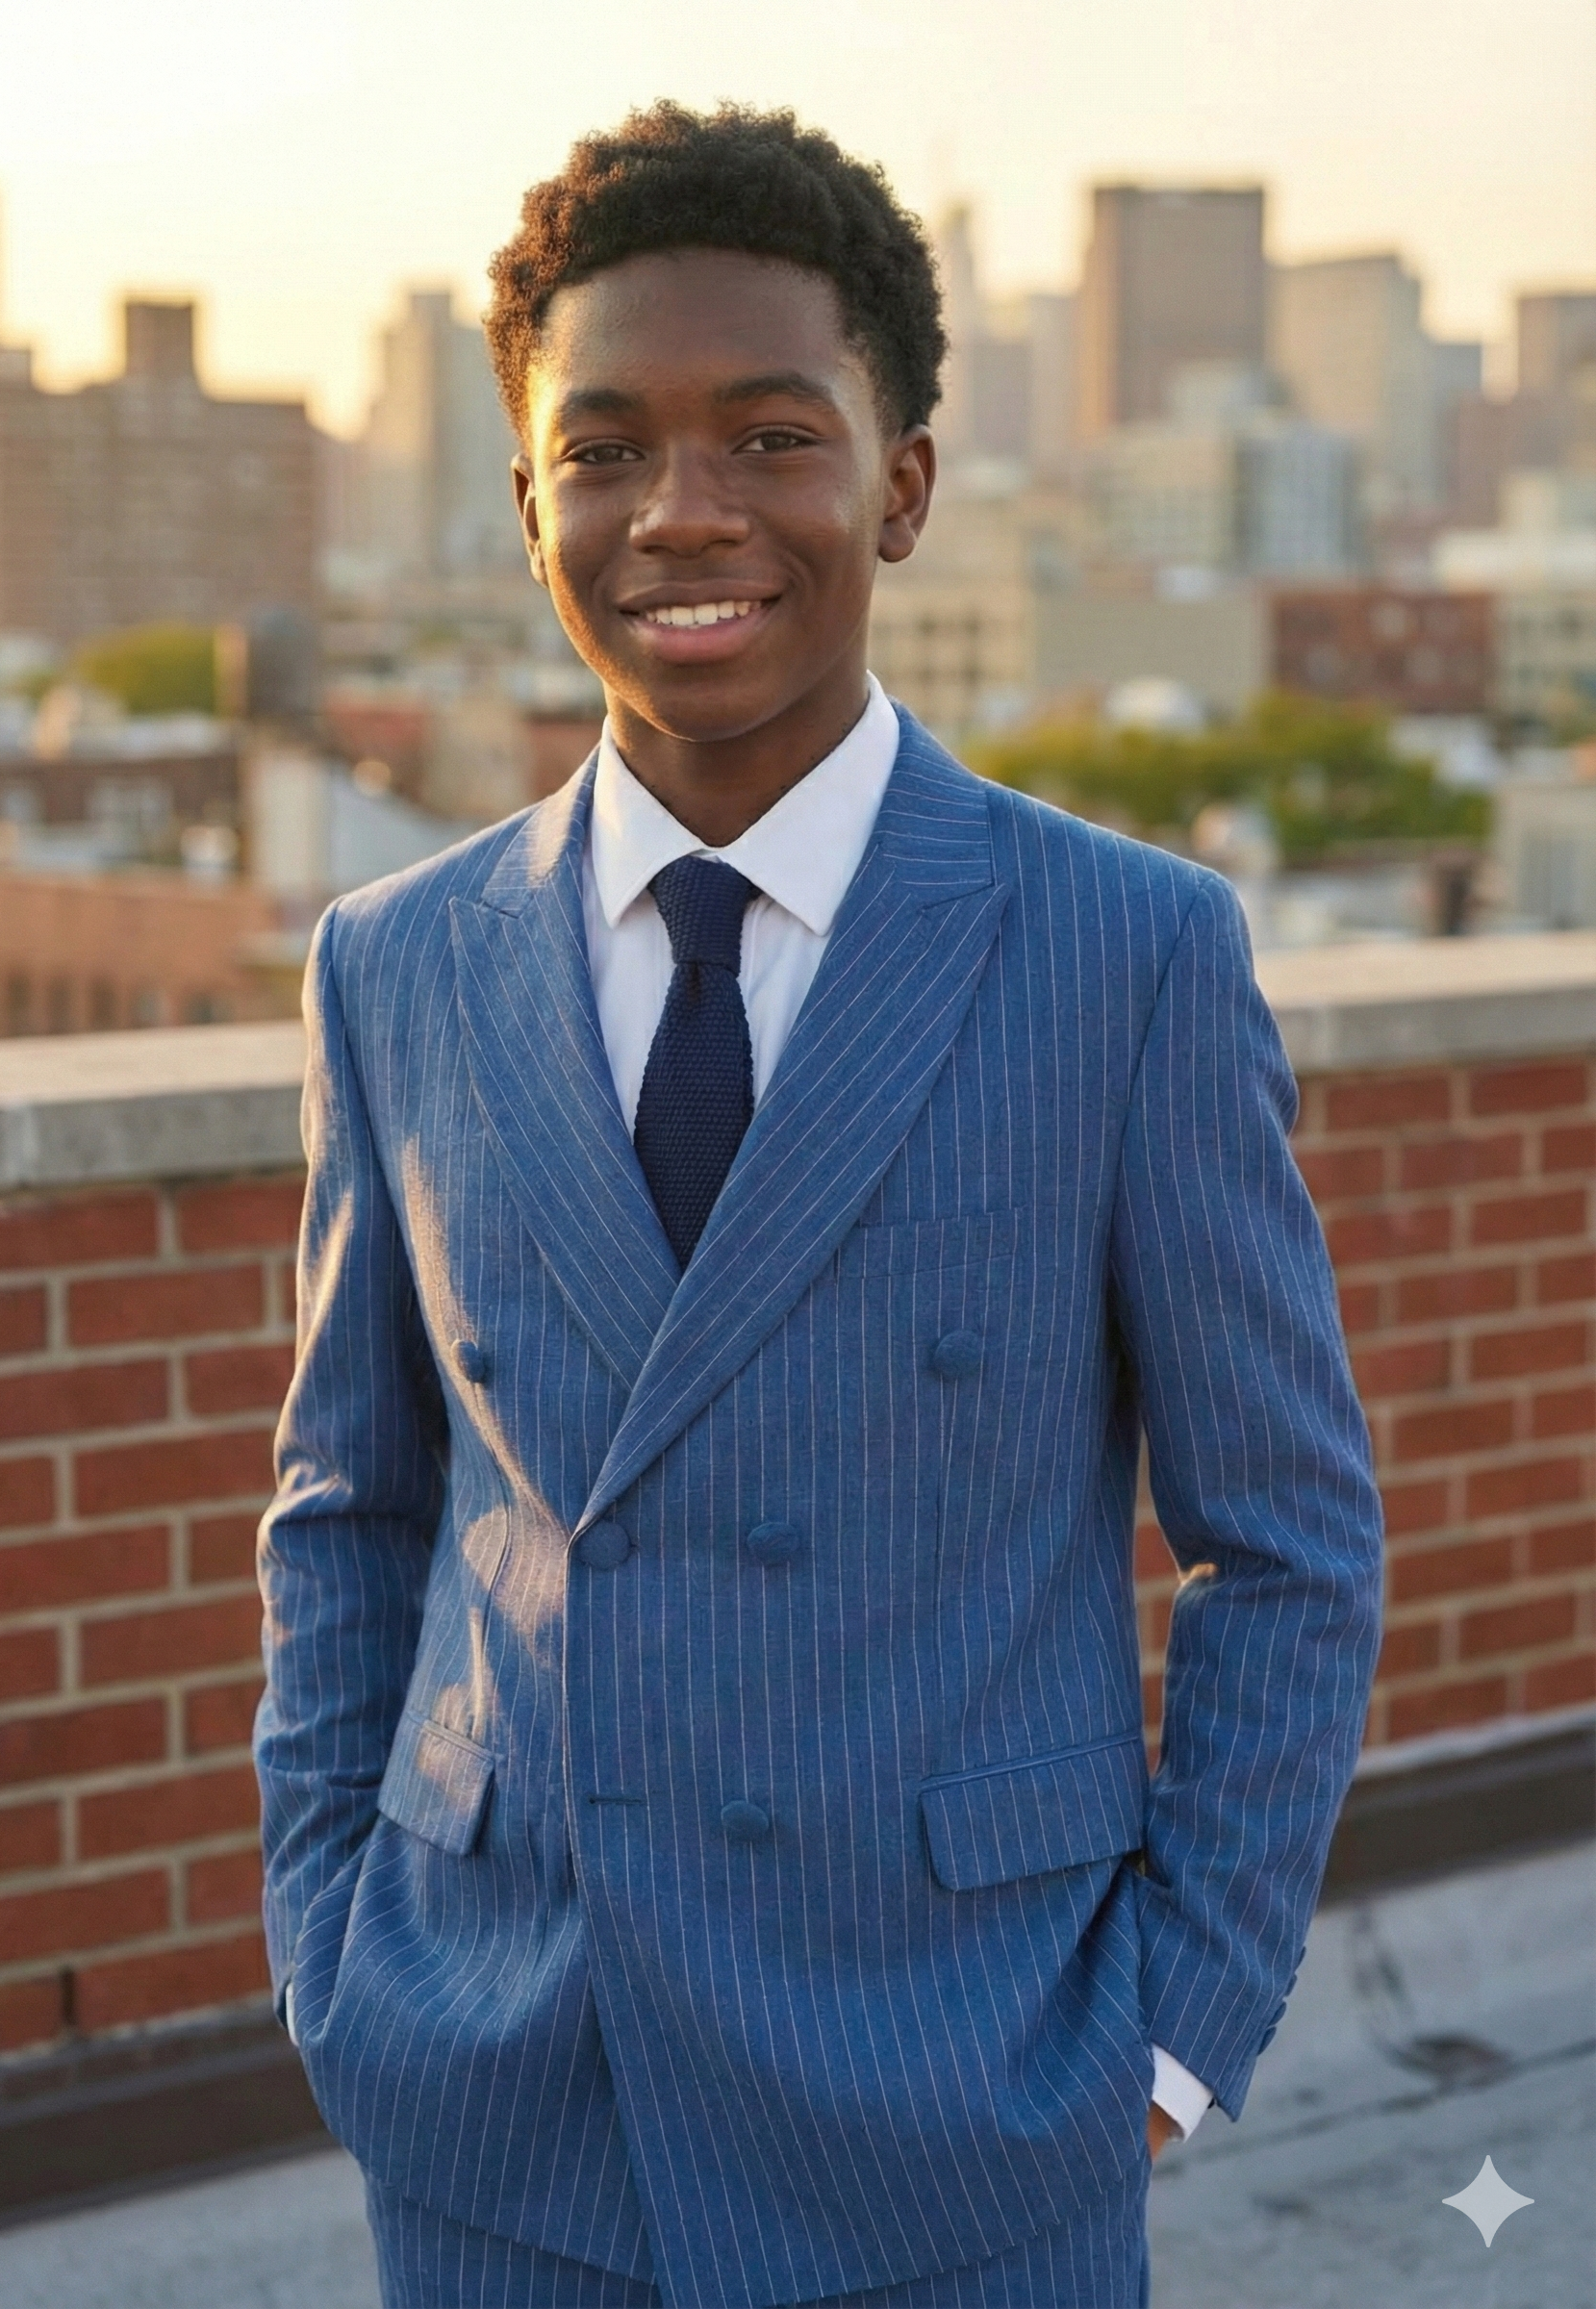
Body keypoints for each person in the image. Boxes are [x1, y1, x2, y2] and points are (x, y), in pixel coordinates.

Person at [255, 103, 1384, 2309]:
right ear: (526, 505)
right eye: (603, 450)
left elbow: (1284, 1540)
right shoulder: (392, 965)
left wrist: (1169, 2037)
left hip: (966, 2103)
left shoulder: (1125, 954)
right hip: (502, 2106)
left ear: (901, 482)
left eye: (769, 437)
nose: (682, 511)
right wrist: (334, 1956)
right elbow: (349, 1507)